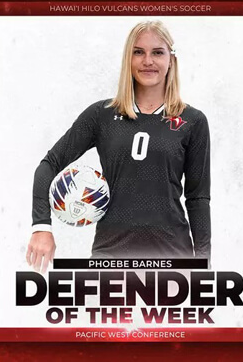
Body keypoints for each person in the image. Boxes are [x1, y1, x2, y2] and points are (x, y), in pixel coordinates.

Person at [27, 21, 211, 272]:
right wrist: (41, 228)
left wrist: (203, 261)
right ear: (128, 59)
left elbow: (197, 198)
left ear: (171, 60)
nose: (148, 60)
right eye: (139, 52)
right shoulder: (101, 115)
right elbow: (49, 166)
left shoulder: (192, 120)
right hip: (109, 258)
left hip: (173, 259)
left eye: (158, 52)